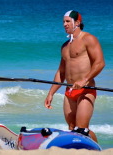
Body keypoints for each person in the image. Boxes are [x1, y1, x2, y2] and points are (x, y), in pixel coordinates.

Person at [44, 10, 105, 142]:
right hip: (69, 91)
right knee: (72, 128)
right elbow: (61, 72)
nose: (64, 24)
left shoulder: (88, 39)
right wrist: (51, 93)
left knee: (82, 129)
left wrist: (85, 80)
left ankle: (97, 150)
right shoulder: (65, 46)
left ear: (77, 22)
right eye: (63, 22)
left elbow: (100, 63)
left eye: (67, 21)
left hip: (86, 90)